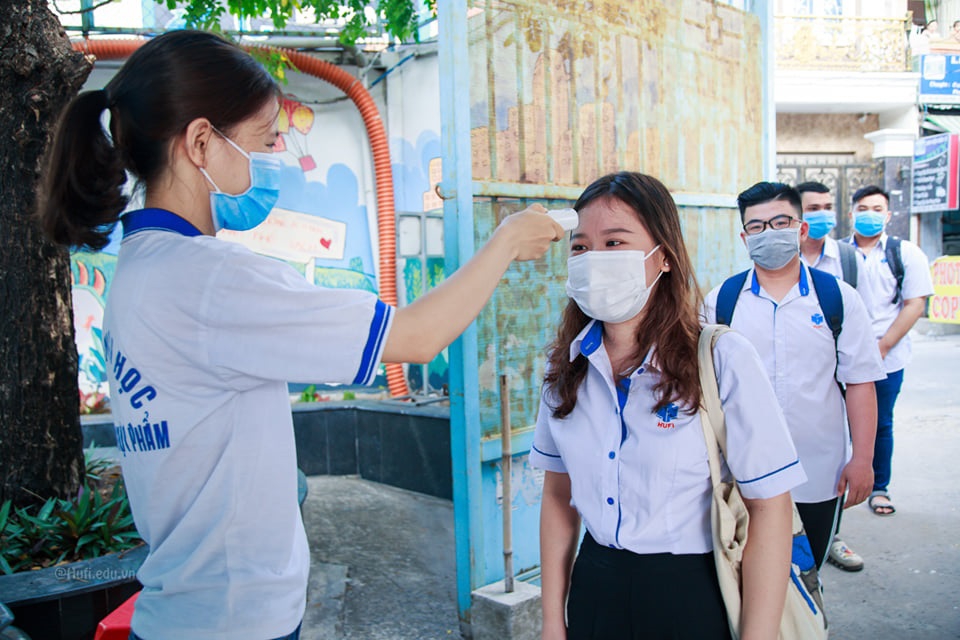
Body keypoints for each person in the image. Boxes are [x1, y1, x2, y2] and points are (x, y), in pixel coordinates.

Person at [39, 30, 564, 640]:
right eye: (264, 140)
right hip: (234, 620)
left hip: (184, 609)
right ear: (202, 142)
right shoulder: (213, 281)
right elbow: (416, 337)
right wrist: (505, 243)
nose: (277, 152)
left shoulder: (143, 268)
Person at [531, 172, 806, 640]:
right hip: (596, 584)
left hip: (692, 591)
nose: (594, 259)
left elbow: (771, 510)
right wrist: (553, 621)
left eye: (615, 242)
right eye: (580, 247)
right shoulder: (566, 367)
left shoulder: (722, 358)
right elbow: (559, 497)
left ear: (662, 257)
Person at [703, 182, 885, 573]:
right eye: (757, 226)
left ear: (801, 229)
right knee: (744, 577)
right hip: (742, 471)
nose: (768, 233)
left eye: (780, 221)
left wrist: (864, 459)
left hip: (819, 473)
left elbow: (860, 383)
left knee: (806, 574)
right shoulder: (721, 302)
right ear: (744, 237)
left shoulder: (838, 298)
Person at [843, 186, 935, 517]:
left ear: (888, 215)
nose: (870, 214)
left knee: (879, 422)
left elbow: (914, 305)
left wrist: (880, 347)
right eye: (863, 208)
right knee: (834, 422)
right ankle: (837, 480)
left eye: (877, 208)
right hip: (840, 358)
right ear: (851, 214)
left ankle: (878, 486)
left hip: (888, 355)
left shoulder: (905, 253)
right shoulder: (837, 254)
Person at [796, 180, 865, 571]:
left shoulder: (842, 277)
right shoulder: (729, 297)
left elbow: (859, 378)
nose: (823, 213)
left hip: (823, 439)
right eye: (814, 207)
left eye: (827, 206)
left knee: (808, 562)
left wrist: (863, 457)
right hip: (749, 464)